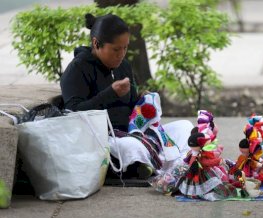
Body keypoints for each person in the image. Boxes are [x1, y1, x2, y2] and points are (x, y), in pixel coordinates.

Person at [60, 13, 193, 181]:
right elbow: (72, 111)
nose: (121, 54)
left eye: (125, 48)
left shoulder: (123, 66)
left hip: (135, 133)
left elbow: (130, 106)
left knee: (185, 127)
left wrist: (141, 101)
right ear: (96, 43)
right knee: (131, 147)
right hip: (106, 140)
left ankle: (167, 165)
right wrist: (110, 94)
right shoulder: (78, 69)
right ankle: (155, 164)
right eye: (116, 49)